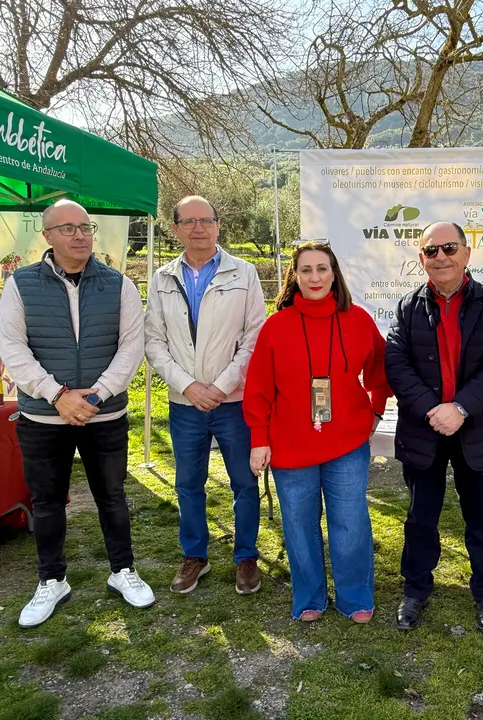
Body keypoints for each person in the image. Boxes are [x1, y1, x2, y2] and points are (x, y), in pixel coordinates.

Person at [0, 199, 154, 628]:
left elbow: (131, 347)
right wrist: (58, 395)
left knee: (113, 498)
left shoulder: (118, 284)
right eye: (68, 228)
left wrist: (97, 395)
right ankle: (52, 580)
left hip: (104, 415)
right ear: (47, 236)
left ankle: (123, 571)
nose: (80, 235)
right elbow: (13, 348)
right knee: (47, 504)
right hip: (45, 418)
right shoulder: (20, 284)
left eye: (85, 227)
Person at [243, 241, 390, 622]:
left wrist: (376, 408)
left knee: (350, 520)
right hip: (291, 444)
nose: (315, 277)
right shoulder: (276, 326)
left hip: (346, 442)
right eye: (305, 270)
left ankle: (355, 596)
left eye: (322, 268)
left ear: (334, 274)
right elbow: (258, 388)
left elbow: (380, 370)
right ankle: (309, 595)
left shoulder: (357, 319)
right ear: (295, 276)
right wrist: (259, 438)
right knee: (298, 523)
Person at [386, 221, 483, 634]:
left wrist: (459, 408)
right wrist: (433, 410)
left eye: (448, 248)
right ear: (421, 259)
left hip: (477, 428)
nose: (440, 257)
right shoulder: (408, 307)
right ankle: (416, 589)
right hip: (425, 430)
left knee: (481, 516)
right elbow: (397, 364)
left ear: (466, 252)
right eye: (431, 251)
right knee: (420, 515)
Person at [144, 196, 266, 595]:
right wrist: (188, 386)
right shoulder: (161, 278)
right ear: (176, 228)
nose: (199, 227)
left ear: (218, 225)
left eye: (206, 220)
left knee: (244, 483)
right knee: (188, 483)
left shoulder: (244, 273)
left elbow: (254, 338)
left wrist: (221, 385)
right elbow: (154, 342)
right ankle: (195, 554)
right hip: (185, 404)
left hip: (233, 402)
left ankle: (246, 555)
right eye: (189, 221)